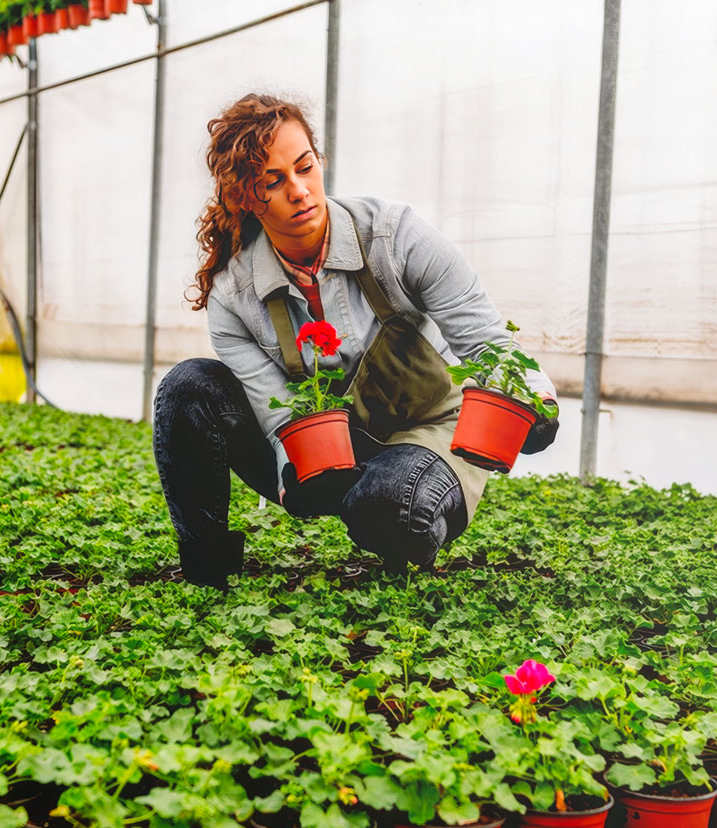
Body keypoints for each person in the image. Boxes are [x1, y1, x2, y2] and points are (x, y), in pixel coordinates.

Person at [153, 94, 559, 588]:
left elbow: (486, 339)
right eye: (272, 182)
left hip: (426, 431)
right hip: (312, 448)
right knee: (189, 385)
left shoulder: (395, 236)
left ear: (319, 160)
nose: (300, 191)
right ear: (245, 198)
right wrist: (296, 470)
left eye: (305, 167)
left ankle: (398, 516)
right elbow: (278, 409)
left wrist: (533, 397)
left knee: (391, 506)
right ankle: (207, 570)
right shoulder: (234, 296)